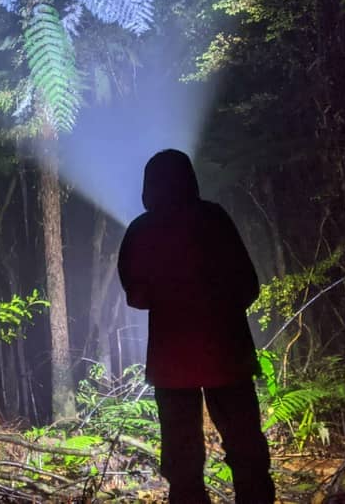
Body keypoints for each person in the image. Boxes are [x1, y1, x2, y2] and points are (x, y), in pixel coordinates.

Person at [118, 149, 275, 504]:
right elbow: (248, 285)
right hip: (227, 353)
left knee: (182, 459)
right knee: (246, 446)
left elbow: (136, 296)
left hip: (172, 361)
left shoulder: (141, 230)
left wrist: (169, 294)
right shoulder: (214, 218)